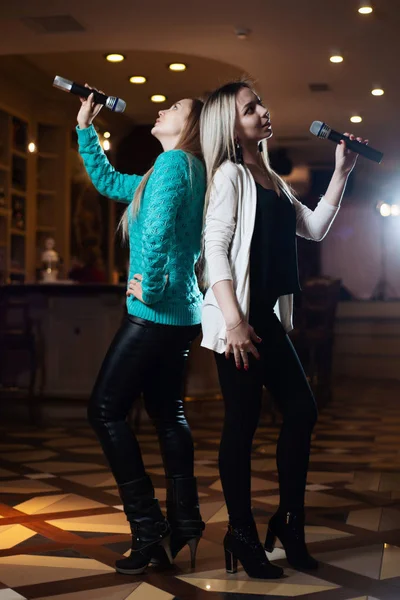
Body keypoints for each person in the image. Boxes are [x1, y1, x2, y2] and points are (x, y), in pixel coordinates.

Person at [200, 80, 366, 579]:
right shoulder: (230, 174)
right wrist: (233, 322)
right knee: (243, 425)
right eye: (251, 109)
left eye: (260, 104)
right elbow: (214, 251)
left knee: (302, 411)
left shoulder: (271, 177)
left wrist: (340, 173)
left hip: (265, 318)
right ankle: (241, 532)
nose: (263, 112)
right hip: (238, 323)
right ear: (231, 125)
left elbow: (314, 229)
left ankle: (290, 522)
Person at [76, 87, 206, 574]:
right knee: (167, 413)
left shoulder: (175, 165)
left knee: (105, 410)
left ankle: (149, 530)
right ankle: (184, 521)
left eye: (175, 107)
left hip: (155, 313)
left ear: (189, 127)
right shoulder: (175, 169)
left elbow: (154, 234)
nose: (163, 108)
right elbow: (110, 182)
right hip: (181, 315)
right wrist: (86, 129)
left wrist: (148, 288)